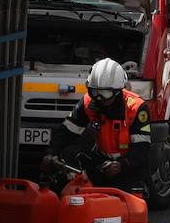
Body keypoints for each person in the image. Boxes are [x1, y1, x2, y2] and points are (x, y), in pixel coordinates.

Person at [43, 57, 152, 193]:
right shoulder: (88, 103)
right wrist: (51, 153)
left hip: (130, 169)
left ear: (118, 91)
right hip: (102, 164)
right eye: (95, 92)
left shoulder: (136, 108)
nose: (99, 98)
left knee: (129, 208)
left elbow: (142, 151)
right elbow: (67, 131)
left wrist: (120, 165)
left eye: (105, 93)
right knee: (69, 153)